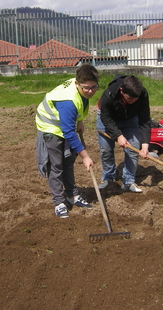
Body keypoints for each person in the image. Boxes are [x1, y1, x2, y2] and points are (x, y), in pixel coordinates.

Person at [35, 64, 100, 218]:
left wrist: (80, 121)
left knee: (68, 161)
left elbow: (79, 107)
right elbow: (69, 133)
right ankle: (59, 202)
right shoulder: (68, 102)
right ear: (77, 84)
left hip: (65, 124)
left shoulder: (79, 88)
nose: (90, 91)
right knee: (57, 166)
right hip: (51, 128)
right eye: (87, 88)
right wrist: (85, 156)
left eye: (94, 87)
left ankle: (71, 195)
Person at [96, 74, 151, 193]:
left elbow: (145, 119)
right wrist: (118, 135)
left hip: (130, 118)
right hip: (107, 117)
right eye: (130, 99)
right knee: (106, 149)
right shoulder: (109, 94)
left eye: (136, 99)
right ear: (121, 91)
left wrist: (145, 144)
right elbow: (106, 117)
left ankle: (128, 181)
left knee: (134, 147)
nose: (133, 102)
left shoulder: (142, 94)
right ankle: (108, 178)